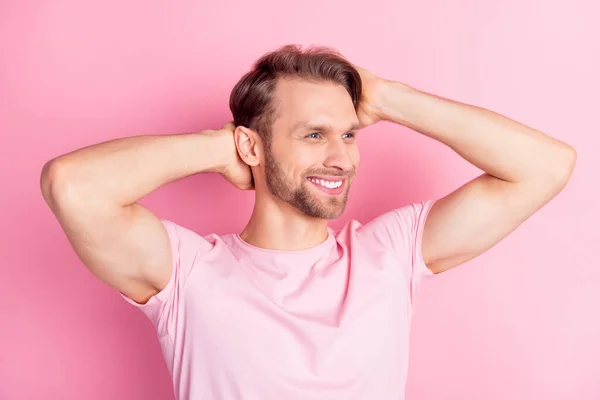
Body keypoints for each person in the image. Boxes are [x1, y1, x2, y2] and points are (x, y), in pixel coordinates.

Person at [40, 44, 576, 400]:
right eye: (313, 135)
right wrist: (218, 148)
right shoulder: (187, 273)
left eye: (348, 135)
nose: (341, 159)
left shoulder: (388, 255)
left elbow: (546, 167)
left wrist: (390, 98)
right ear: (252, 145)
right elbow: (72, 185)